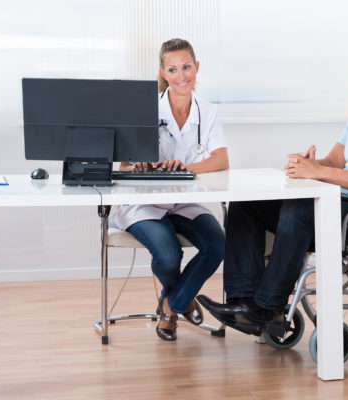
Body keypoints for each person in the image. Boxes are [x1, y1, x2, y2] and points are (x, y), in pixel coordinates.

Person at [197, 39, 348, 336]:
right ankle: (243, 302)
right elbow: (335, 160)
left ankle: (267, 309)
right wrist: (310, 164)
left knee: (300, 210)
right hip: (339, 200)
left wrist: (319, 173)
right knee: (248, 203)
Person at [110, 38, 229, 341]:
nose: (181, 76)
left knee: (217, 244)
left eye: (186, 67)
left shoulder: (207, 111)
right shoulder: (145, 109)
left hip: (185, 200)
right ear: (163, 72)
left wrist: (185, 169)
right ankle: (183, 300)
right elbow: (123, 161)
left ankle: (171, 304)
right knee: (167, 255)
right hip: (145, 203)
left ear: (196, 67)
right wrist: (141, 165)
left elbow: (221, 159)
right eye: (173, 69)